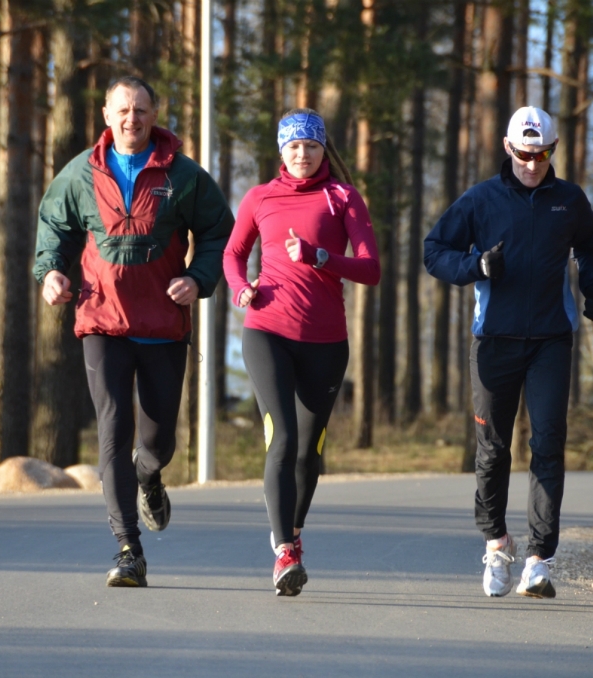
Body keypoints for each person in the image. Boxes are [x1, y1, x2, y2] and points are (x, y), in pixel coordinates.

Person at [33, 75, 234, 587]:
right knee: (113, 426)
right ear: (106, 114)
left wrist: (197, 277)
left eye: (141, 110)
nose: (132, 119)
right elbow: (54, 227)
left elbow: (218, 232)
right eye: (123, 109)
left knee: (158, 437)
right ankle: (128, 549)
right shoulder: (81, 173)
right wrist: (51, 272)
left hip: (163, 324)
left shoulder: (183, 175)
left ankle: (150, 475)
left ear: (154, 114)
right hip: (102, 319)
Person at [423, 106, 593, 599]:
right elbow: (434, 251)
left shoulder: (568, 201)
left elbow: (592, 244)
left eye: (542, 154)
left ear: (553, 151)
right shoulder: (481, 200)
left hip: (551, 339)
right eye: (524, 154)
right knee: (493, 449)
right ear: (508, 148)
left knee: (547, 444)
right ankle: (496, 545)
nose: (533, 163)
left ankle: (539, 561)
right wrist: (476, 266)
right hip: (494, 341)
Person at [223, 108, 380, 596]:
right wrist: (239, 288)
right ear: (281, 150)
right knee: (284, 438)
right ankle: (284, 549)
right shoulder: (259, 197)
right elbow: (232, 253)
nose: (302, 154)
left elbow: (371, 268)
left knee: (310, 452)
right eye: (293, 146)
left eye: (311, 146)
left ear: (323, 149)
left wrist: (319, 258)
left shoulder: (343, 198)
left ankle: (293, 533)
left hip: (326, 341)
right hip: (266, 330)